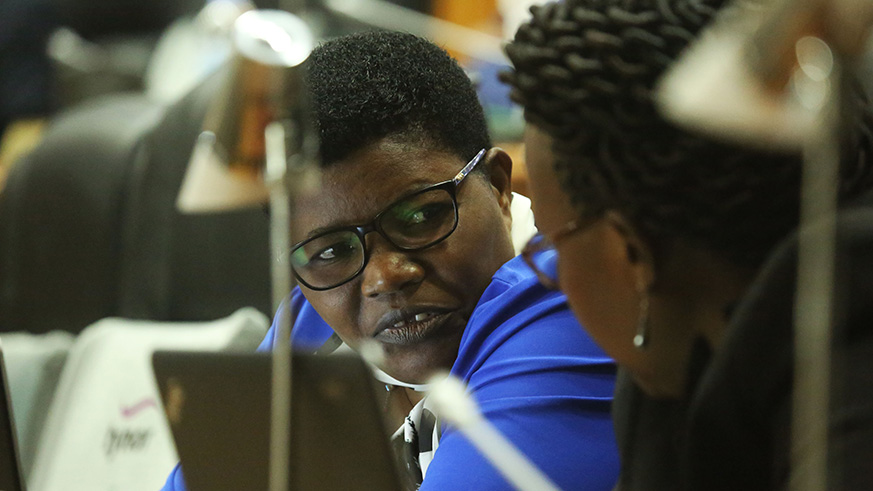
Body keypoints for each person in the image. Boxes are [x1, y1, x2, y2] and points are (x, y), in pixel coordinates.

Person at [162, 31, 619, 490]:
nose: (384, 277)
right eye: (332, 250)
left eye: (421, 217)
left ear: (498, 187)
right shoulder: (312, 319)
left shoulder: (568, 304)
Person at [504, 0, 873, 489]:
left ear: (630, 254)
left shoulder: (845, 422)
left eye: (551, 245)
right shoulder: (668, 398)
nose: (553, 277)